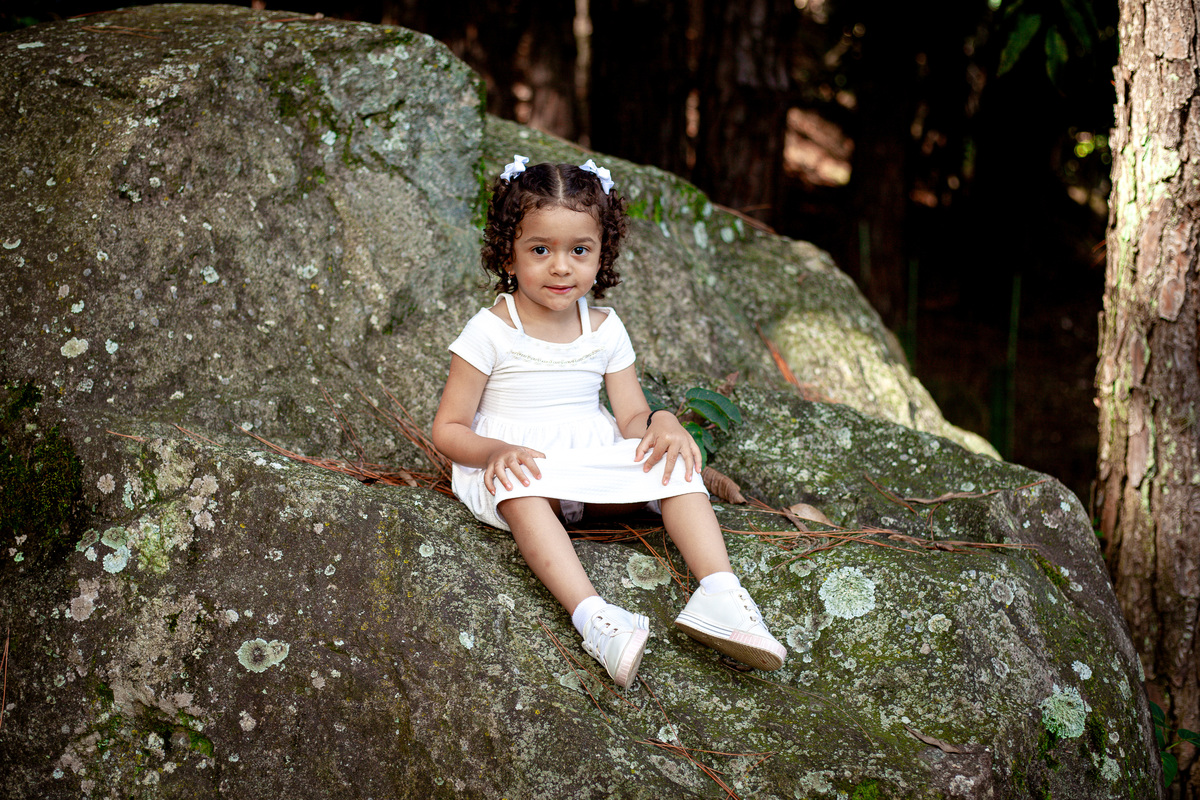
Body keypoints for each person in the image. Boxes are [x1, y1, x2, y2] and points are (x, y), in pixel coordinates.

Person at [431, 155, 786, 688]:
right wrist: (494, 452)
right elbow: (449, 428)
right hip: (521, 464)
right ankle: (596, 619)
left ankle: (719, 594)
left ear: (602, 252)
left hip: (591, 457)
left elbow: (632, 416)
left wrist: (662, 421)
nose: (561, 267)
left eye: (579, 250)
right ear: (508, 253)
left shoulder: (604, 328)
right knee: (521, 490)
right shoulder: (490, 331)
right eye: (540, 250)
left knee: (675, 466)